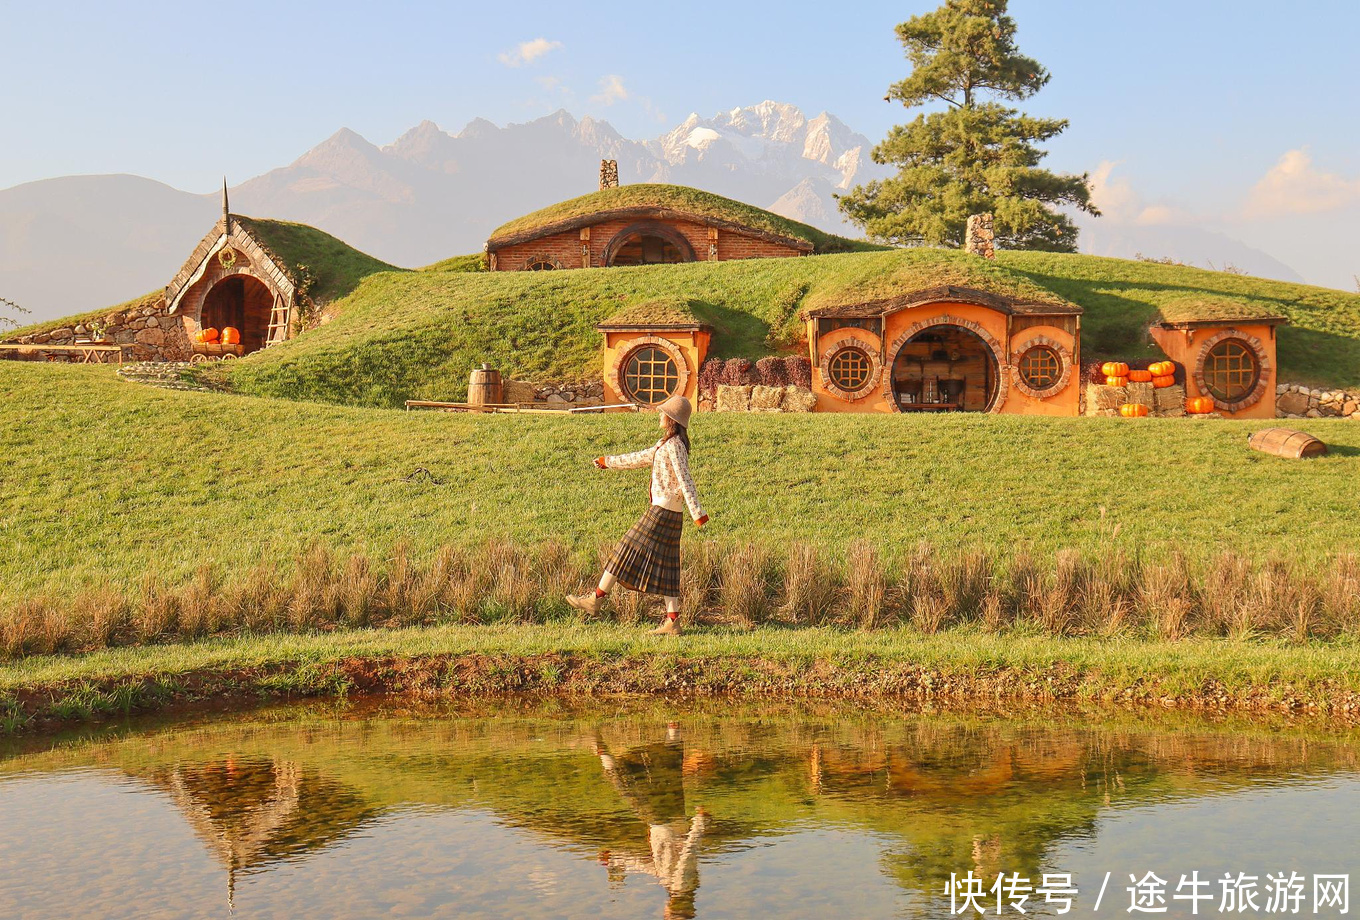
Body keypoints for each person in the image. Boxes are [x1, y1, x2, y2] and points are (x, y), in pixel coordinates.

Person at [567, 394, 708, 635]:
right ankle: (672, 621)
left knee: (626, 548)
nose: (660, 415)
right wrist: (607, 462)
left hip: (662, 511)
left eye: (663, 412)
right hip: (670, 512)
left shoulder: (674, 447)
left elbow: (685, 479)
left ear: (672, 419)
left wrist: (697, 512)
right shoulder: (666, 444)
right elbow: (639, 458)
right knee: (668, 566)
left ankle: (596, 599)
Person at [595, 723, 708, 919]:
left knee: (669, 776)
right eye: (668, 916)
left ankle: (673, 731)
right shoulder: (682, 884)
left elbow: (649, 866)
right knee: (627, 786)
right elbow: (688, 853)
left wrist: (616, 858)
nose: (663, 912)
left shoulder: (673, 885)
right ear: (672, 912)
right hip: (663, 822)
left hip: (668, 820)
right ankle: (603, 752)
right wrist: (700, 824)